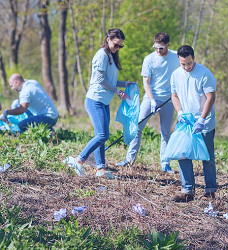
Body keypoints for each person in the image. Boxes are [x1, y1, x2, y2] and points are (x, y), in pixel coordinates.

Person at [64, 28, 135, 179]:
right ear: (108, 39)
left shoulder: (111, 56)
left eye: (120, 46)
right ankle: (78, 160)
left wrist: (125, 84)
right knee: (103, 135)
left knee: (100, 135)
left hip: (104, 101)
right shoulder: (101, 55)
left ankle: (101, 169)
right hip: (95, 100)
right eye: (116, 44)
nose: (118, 48)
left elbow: (110, 80)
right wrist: (117, 91)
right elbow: (100, 80)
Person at [116, 32, 179, 173]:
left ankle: (165, 163)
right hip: (151, 98)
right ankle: (129, 160)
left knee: (165, 132)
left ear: (168, 45)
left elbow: (188, 65)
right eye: (155, 47)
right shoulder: (149, 59)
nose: (158, 50)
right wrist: (152, 100)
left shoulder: (176, 57)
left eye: (161, 48)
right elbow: (146, 82)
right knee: (137, 127)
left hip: (169, 100)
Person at [170, 45, 217, 202]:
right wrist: (180, 112)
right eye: (183, 64)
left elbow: (211, 97)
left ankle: (210, 191)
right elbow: (174, 95)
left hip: (204, 122)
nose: (186, 67)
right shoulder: (176, 74)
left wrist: (202, 119)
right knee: (183, 154)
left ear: (193, 58)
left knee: (207, 157)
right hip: (186, 122)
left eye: (189, 63)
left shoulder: (204, 74)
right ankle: (187, 190)